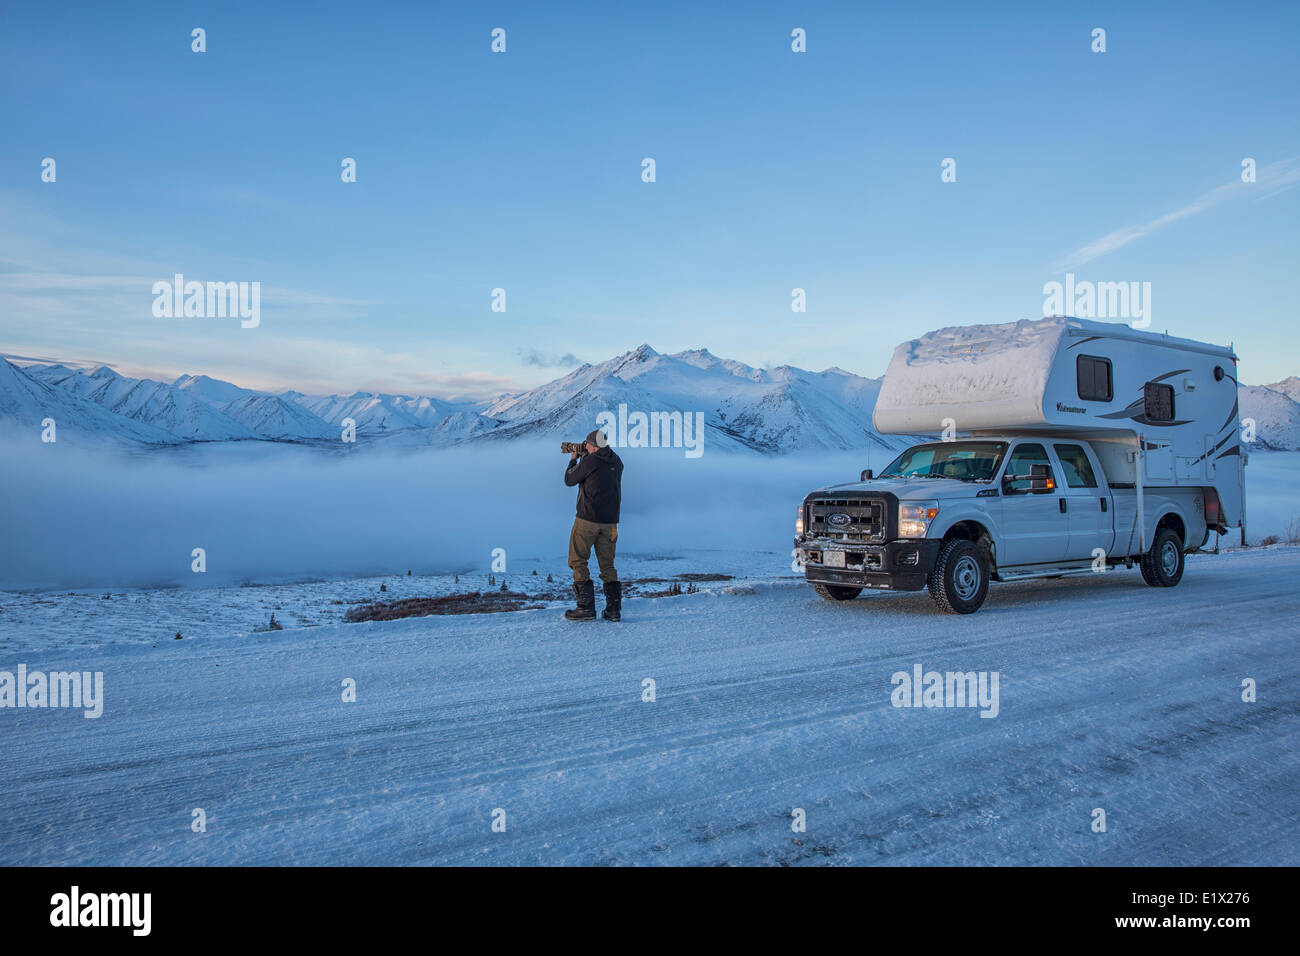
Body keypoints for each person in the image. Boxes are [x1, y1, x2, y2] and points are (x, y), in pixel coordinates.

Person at [563, 429, 624, 621]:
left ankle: (585, 608)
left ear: (594, 447)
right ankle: (613, 610)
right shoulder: (617, 461)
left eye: (587, 444)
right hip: (610, 522)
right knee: (608, 565)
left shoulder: (590, 461)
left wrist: (574, 459)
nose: (585, 446)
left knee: (578, 560)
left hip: (587, 520)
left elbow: (569, 480)